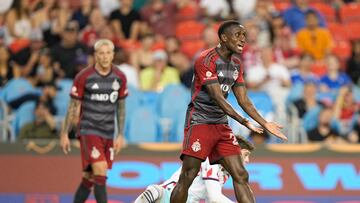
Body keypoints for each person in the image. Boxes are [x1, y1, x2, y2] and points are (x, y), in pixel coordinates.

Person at [170, 20, 287, 203]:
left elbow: (244, 100)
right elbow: (218, 97)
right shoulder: (205, 59)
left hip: (221, 125)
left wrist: (264, 123)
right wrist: (244, 122)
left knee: (241, 174)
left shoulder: (236, 64)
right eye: (238, 35)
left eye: (244, 36)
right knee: (188, 175)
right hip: (200, 122)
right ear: (223, 38)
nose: (242, 39)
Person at [60, 39, 127, 203]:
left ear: (113, 55)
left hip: (108, 132)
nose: (104, 57)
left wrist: (120, 135)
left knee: (89, 177)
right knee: (101, 169)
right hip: (89, 129)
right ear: (95, 55)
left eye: (108, 53)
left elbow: (121, 107)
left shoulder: (119, 77)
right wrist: (64, 134)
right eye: (101, 53)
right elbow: (72, 106)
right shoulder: (84, 77)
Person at [134, 135, 255, 203]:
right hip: (170, 196)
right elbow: (214, 198)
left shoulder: (225, 171)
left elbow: (210, 198)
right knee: (155, 190)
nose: (247, 160)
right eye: (245, 155)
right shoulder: (211, 161)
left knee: (155, 190)